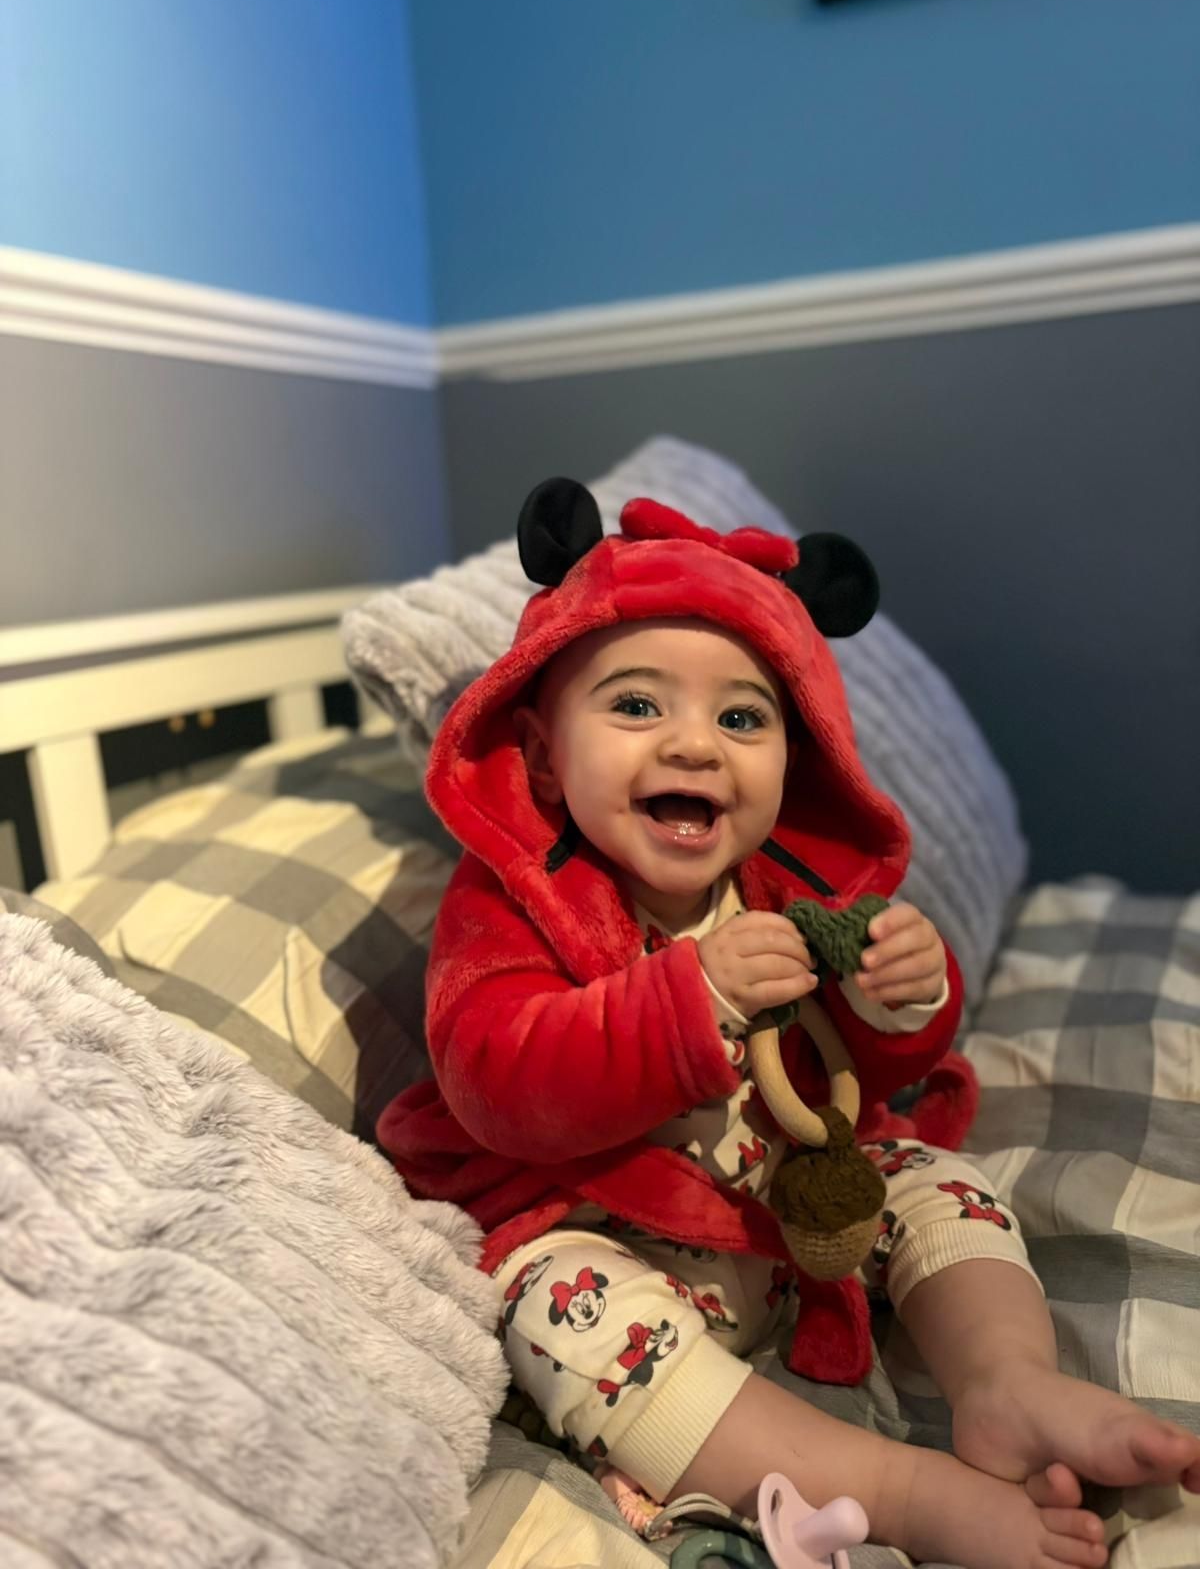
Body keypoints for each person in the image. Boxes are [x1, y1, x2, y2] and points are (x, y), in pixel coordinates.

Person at [380, 481, 1200, 1569]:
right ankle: (900, 1485)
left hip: (785, 1207)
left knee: (925, 1170)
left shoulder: (783, 884)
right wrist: (688, 999)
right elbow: (493, 1072)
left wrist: (902, 999)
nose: (695, 746)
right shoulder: (514, 900)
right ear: (538, 754)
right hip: (617, 1233)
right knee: (551, 1307)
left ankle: (1006, 1377)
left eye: (741, 717)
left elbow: (854, 1068)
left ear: (792, 753)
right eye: (636, 706)